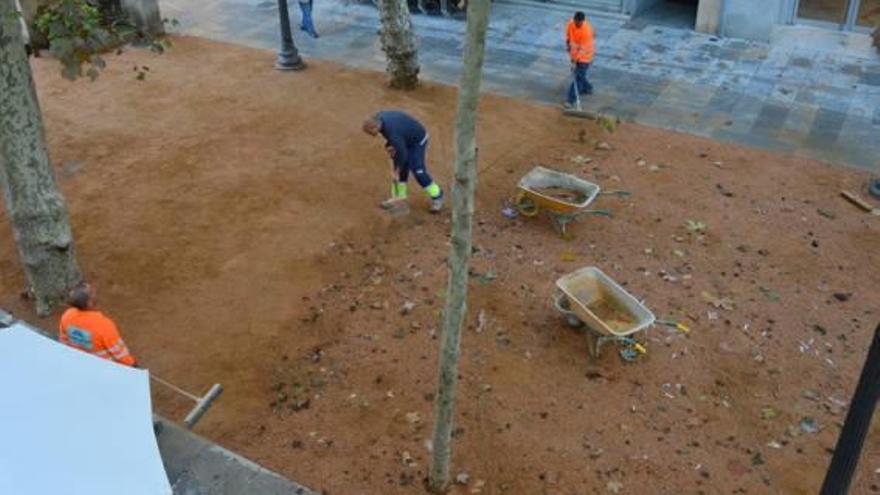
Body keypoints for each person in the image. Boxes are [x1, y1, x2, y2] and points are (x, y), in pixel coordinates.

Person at [362, 111, 444, 213]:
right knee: (401, 170)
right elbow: (394, 138)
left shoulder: (392, 132)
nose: (371, 135)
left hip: (417, 140)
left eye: (371, 133)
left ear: (375, 127)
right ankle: (400, 199)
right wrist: (389, 145)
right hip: (404, 137)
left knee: (418, 172)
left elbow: (403, 155)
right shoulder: (378, 120)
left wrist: (396, 171)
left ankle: (438, 196)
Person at [59, 283, 137, 367]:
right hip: (103, 365)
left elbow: (64, 340)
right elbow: (118, 351)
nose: (95, 291)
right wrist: (132, 364)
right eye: (92, 292)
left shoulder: (67, 315)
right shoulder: (104, 325)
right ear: (89, 303)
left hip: (80, 360)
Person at [564, 11, 595, 108]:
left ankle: (570, 99)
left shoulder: (586, 31)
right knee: (580, 75)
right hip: (574, 54)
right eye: (576, 22)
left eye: (579, 22)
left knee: (577, 78)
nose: (577, 24)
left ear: (583, 21)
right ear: (574, 19)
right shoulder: (570, 24)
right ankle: (588, 88)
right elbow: (568, 36)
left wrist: (574, 61)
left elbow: (582, 50)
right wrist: (568, 45)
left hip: (585, 56)